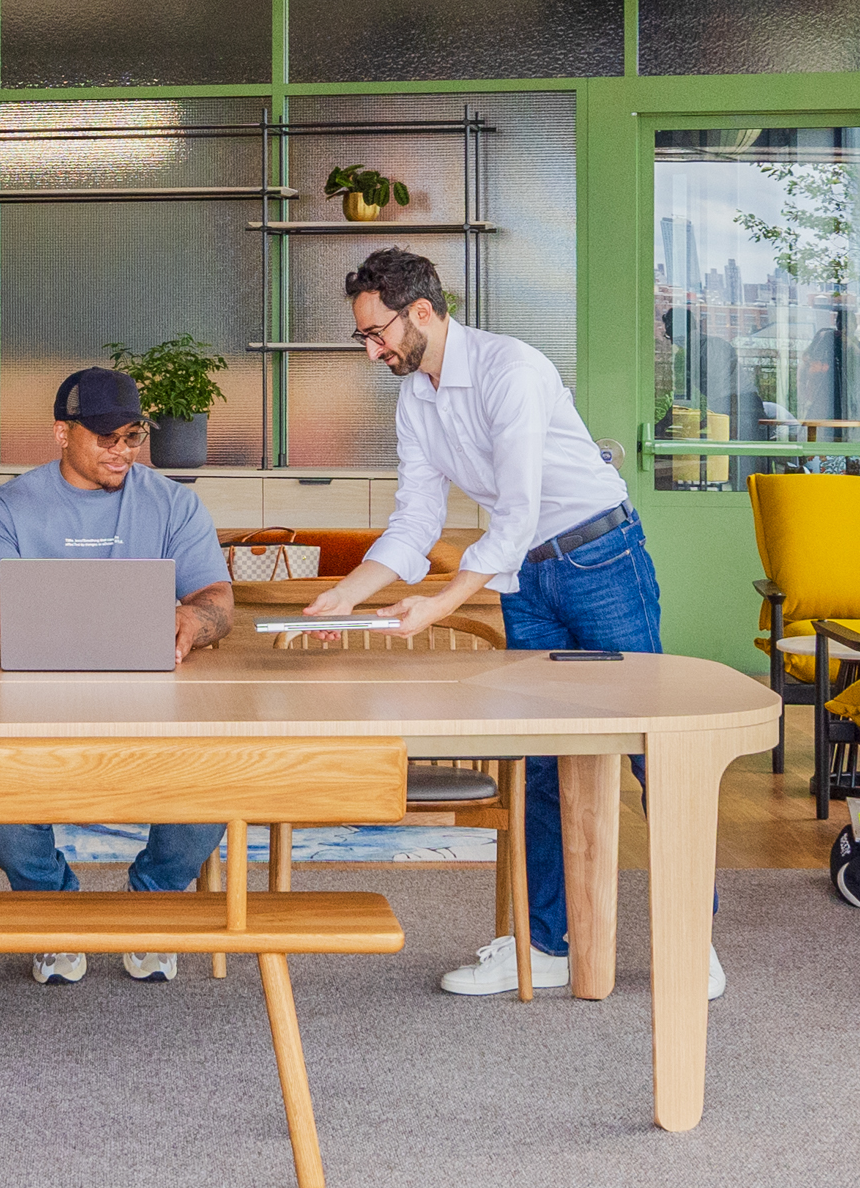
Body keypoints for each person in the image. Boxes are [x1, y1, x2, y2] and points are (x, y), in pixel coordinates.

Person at [283, 245, 701, 1001]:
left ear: (421, 312)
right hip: (525, 578)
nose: (372, 351)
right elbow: (415, 520)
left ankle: (692, 945)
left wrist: (440, 604)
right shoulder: (416, 400)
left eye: (376, 333)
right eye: (363, 337)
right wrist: (348, 594)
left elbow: (515, 509)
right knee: (540, 761)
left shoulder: (513, 370)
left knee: (653, 752)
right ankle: (546, 946)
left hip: (600, 557)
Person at [0, 364, 237, 984]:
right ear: (62, 433)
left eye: (132, 436)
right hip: (31, 703)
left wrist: (193, 620)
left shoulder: (174, 504)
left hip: (157, 699)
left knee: (217, 784)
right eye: (106, 437)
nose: (122, 451)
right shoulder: (8, 507)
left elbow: (217, 599)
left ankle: (150, 905)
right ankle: (55, 908)